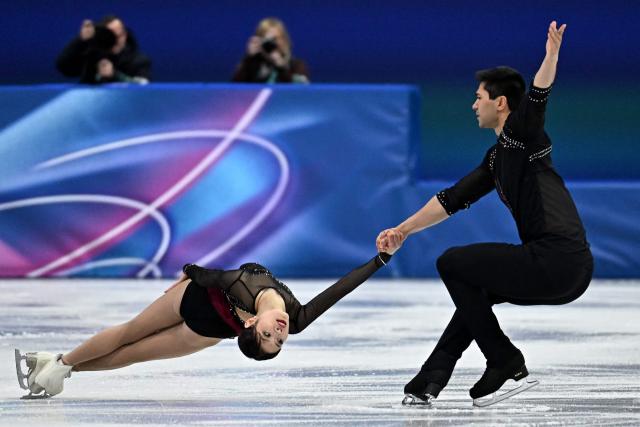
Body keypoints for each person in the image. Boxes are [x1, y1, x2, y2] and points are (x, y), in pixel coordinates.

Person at [377, 21, 593, 407]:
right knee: (474, 291)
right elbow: (451, 199)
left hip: (556, 258)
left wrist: (551, 55)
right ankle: (430, 379)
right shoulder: (496, 159)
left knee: (453, 263)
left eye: (479, 97)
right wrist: (403, 230)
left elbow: (540, 93)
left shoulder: (523, 135)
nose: (474, 104)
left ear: (501, 103)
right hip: (564, 269)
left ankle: (505, 360)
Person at [15, 248, 394, 399]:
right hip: (194, 299)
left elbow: (209, 273)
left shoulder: (245, 297)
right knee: (130, 331)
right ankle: (60, 365)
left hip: (208, 329)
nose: (279, 332)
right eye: (278, 339)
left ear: (249, 326)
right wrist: (380, 260)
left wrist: (189, 271)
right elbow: (339, 290)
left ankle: (62, 369)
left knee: (134, 354)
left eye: (269, 338)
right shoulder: (295, 318)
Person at [56, 15, 151, 84]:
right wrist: (81, 41)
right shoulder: (92, 56)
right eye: (111, 37)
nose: (116, 41)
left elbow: (142, 87)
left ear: (125, 35)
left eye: (119, 36)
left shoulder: (139, 60)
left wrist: (114, 75)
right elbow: (64, 67)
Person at [232, 17, 309, 83]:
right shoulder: (252, 64)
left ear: (285, 40)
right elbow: (235, 90)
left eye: (275, 39)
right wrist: (249, 59)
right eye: (267, 40)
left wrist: (281, 67)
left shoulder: (296, 65)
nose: (271, 44)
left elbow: (302, 90)